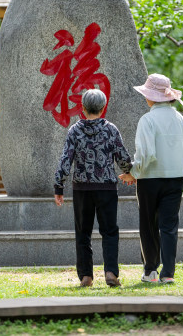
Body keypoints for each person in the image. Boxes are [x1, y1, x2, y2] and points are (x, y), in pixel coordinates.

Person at [54, 89, 133, 288]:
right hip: (106, 188)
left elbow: (66, 160)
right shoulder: (111, 129)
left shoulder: (75, 131)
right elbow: (122, 156)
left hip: (82, 188)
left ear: (83, 107)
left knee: (83, 232)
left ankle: (86, 276)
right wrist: (131, 173)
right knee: (109, 231)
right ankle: (111, 273)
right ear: (103, 107)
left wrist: (59, 186)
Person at [119, 73, 183, 285]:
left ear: (152, 97)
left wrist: (134, 173)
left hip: (150, 179)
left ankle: (151, 271)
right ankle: (168, 273)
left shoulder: (147, 120)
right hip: (175, 177)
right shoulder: (180, 119)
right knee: (169, 226)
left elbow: (146, 154)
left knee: (148, 225)